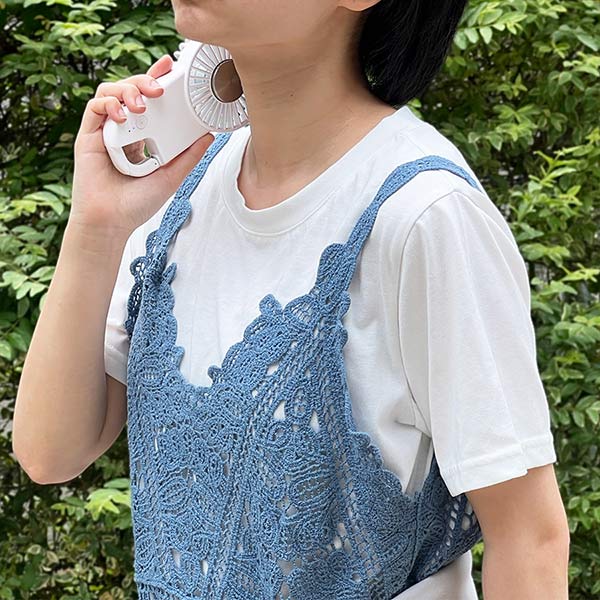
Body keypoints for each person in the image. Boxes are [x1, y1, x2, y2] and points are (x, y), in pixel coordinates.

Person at [13, 0, 570, 598]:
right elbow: (50, 452)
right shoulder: (179, 187)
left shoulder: (426, 216)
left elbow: (529, 538)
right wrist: (96, 229)